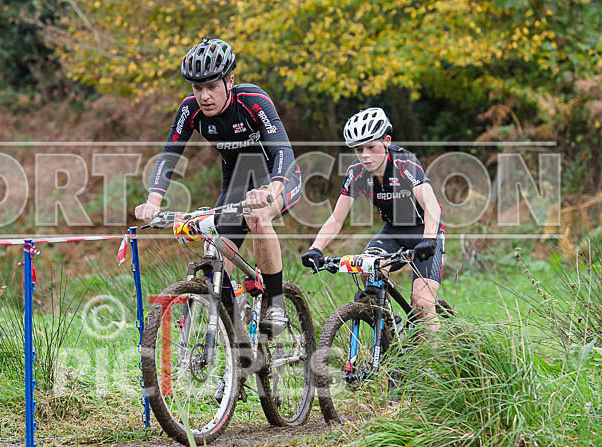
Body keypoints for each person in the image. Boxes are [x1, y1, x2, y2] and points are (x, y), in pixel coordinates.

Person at [135, 37, 302, 334]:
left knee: (258, 217)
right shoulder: (190, 110)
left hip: (278, 176)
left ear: (230, 81)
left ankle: (275, 302)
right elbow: (169, 154)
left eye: (212, 87)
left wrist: (272, 190)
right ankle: (233, 323)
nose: (204, 96)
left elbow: (282, 149)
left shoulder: (253, 101)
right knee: (215, 252)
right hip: (236, 183)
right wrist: (153, 202)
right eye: (197, 88)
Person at [301, 107, 444, 330]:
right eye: (359, 149)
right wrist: (316, 248)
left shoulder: (404, 163)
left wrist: (428, 239)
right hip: (392, 232)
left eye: (371, 147)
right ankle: (390, 326)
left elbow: (431, 205)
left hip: (425, 231)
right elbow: (337, 218)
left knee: (422, 305)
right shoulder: (356, 173)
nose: (365, 155)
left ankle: (438, 351)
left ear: (387, 141)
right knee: (367, 268)